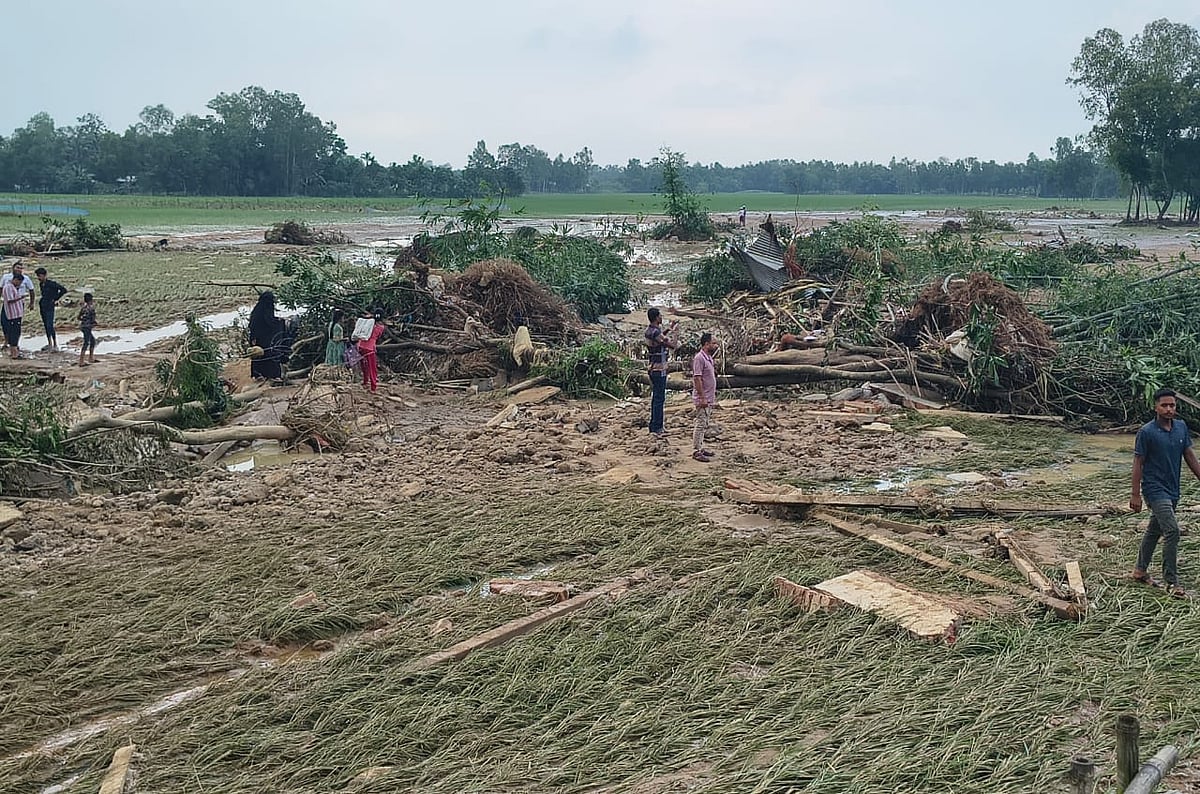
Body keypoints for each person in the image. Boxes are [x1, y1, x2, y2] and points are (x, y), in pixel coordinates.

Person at [1130, 388, 1199, 598]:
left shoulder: (1180, 428)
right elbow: (1138, 463)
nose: (1169, 409)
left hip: (1173, 489)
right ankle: (1172, 582)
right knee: (1172, 531)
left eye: (1172, 405)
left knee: (1154, 530)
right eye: (1164, 405)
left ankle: (1140, 570)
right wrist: (1135, 494)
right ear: (1155, 407)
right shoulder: (1147, 432)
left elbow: (1189, 456)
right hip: (1154, 489)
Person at [644, 307, 678, 437]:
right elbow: (672, 345)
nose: (661, 317)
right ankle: (657, 427)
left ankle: (654, 425)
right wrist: (675, 333)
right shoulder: (655, 333)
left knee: (656, 398)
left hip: (652, 368)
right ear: (656, 318)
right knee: (659, 399)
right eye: (660, 316)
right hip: (659, 370)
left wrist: (669, 329)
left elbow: (659, 339)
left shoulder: (650, 331)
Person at [247, 291, 289, 380]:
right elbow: (269, 322)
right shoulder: (267, 307)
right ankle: (273, 375)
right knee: (271, 354)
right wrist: (280, 322)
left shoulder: (257, 309)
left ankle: (258, 374)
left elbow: (253, 324)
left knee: (259, 355)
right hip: (266, 338)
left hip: (259, 337)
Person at [691, 332, 719, 462]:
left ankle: (700, 447)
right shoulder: (699, 358)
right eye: (713, 343)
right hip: (703, 397)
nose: (716, 345)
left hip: (708, 396)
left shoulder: (708, 357)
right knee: (701, 423)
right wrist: (702, 397)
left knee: (705, 422)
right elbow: (697, 378)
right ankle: (696, 451)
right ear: (706, 344)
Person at [1, 263, 34, 359]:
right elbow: (10, 300)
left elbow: (32, 290)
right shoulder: (8, 286)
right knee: (14, 332)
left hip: (17, 312)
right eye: (19, 283)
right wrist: (20, 297)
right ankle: (14, 353)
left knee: (15, 332)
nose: (19, 285)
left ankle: (14, 351)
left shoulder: (15, 285)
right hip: (13, 314)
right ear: (15, 280)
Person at [34, 266, 68, 352]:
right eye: (38, 276)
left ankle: (55, 344)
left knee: (50, 325)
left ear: (45, 275)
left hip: (50, 305)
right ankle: (49, 343)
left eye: (40, 276)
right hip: (43, 305)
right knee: (46, 325)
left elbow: (63, 290)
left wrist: (55, 298)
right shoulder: (41, 284)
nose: (39, 278)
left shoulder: (51, 284)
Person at [356, 308, 387, 392]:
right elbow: (378, 337)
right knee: (372, 367)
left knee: (363, 365)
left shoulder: (367, 323)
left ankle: (365, 381)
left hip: (361, 345)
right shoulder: (381, 327)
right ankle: (373, 385)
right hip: (370, 348)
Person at [78, 292, 98, 367]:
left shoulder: (83, 308)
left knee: (92, 341)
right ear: (91, 300)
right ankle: (81, 361)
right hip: (88, 327)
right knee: (87, 342)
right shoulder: (91, 308)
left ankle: (90, 358)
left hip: (83, 326)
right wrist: (94, 323)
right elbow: (93, 319)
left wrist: (84, 320)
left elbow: (79, 317)